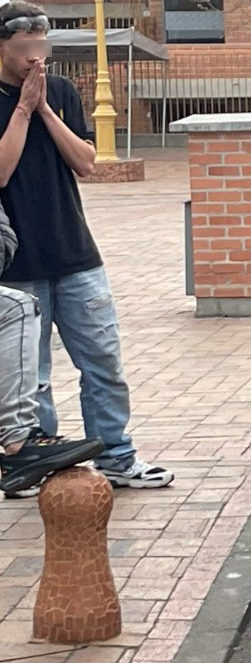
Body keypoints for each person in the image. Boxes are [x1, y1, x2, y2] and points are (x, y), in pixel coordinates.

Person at [0, 0, 173, 491]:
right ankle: (34, 461)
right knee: (31, 375)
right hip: (17, 265)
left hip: (75, 251)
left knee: (103, 360)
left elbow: (86, 161)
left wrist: (45, 108)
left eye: (41, 46)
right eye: (23, 48)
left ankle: (116, 456)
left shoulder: (57, 90)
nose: (35, 56)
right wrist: (20, 109)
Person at [1, 197, 105, 497]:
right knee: (15, 308)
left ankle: (116, 456)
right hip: (26, 273)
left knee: (103, 364)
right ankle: (21, 443)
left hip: (69, 253)